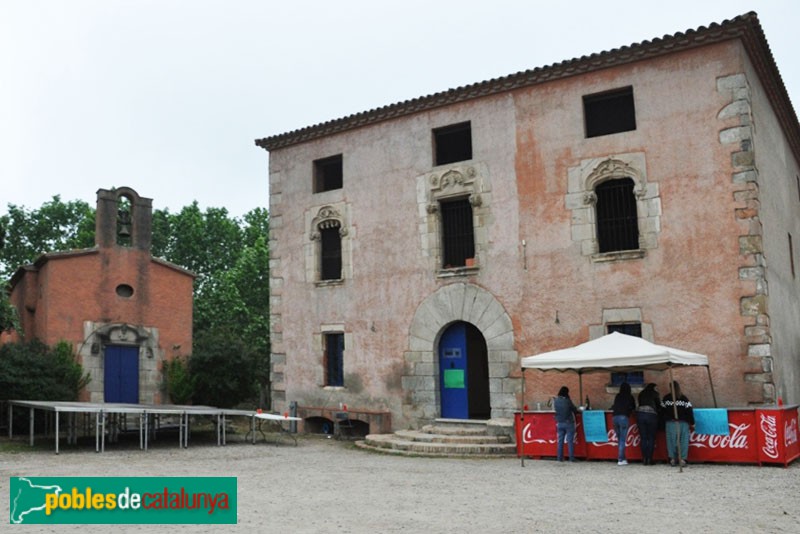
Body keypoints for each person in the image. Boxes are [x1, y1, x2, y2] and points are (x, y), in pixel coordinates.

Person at [661, 380, 694, 467]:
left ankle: (672, 459)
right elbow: (689, 411)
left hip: (670, 423)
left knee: (671, 441)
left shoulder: (666, 398)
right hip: (683, 423)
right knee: (683, 441)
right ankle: (683, 459)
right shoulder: (684, 398)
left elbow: (662, 411)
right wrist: (692, 422)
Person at [611, 382, 636, 465]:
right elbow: (633, 407)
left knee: (619, 439)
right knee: (622, 439)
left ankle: (623, 458)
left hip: (614, 417)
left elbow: (614, 406)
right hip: (623, 417)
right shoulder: (630, 396)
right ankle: (620, 459)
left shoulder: (618, 396)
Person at [637, 383, 661, 465]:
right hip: (651, 415)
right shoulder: (655, 394)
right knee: (651, 438)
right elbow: (659, 406)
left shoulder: (641, 393)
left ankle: (644, 458)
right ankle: (649, 459)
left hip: (640, 414)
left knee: (643, 438)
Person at [553, 386, 579, 462]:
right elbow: (574, 409)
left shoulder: (556, 401)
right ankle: (571, 458)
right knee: (570, 441)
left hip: (559, 423)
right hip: (568, 422)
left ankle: (559, 458)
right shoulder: (567, 401)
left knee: (560, 441)